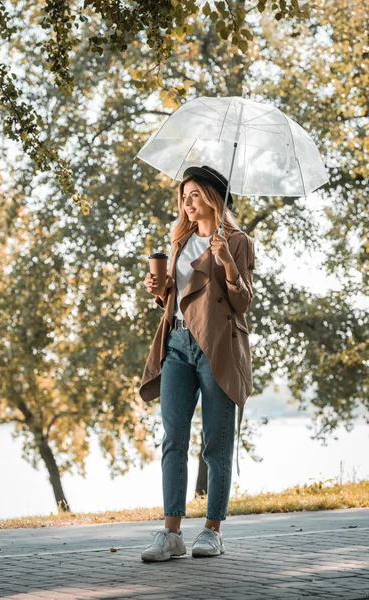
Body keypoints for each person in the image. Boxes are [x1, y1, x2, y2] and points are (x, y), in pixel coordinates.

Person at [139, 165, 255, 562]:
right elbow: (179, 299)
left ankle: (212, 531)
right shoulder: (179, 241)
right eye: (183, 196)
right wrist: (160, 291)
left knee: (215, 444)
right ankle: (171, 534)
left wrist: (227, 262)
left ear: (211, 197)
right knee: (173, 440)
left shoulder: (236, 241)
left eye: (193, 195)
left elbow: (242, 303)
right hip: (176, 345)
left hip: (218, 348)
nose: (187, 203)